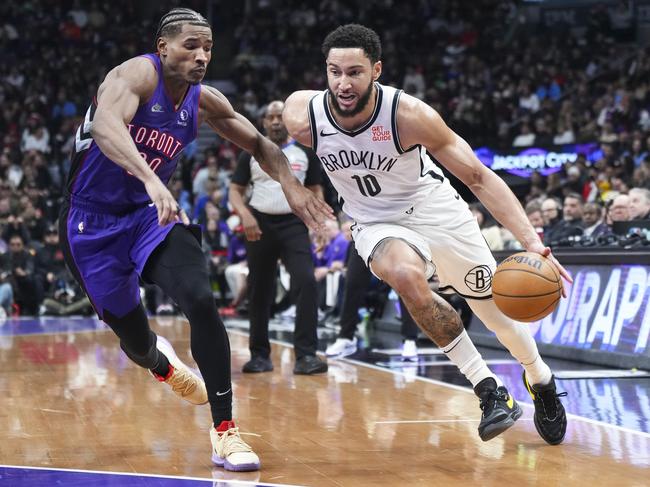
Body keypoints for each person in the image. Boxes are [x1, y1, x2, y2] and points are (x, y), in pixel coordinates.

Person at [59, 8, 331, 472]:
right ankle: (163, 365)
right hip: (92, 225)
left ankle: (225, 432)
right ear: (163, 47)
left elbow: (262, 145)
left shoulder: (204, 101)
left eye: (207, 48)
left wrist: (290, 183)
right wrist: (148, 175)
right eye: (191, 46)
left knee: (201, 299)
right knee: (137, 342)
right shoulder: (135, 75)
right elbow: (106, 125)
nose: (201, 55)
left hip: (150, 215)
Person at [283, 24, 570, 444]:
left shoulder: (407, 115)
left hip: (436, 212)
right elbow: (267, 149)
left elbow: (477, 176)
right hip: (375, 222)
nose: (343, 83)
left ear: (376, 70)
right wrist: (292, 187)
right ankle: (489, 391)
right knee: (405, 276)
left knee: (497, 315)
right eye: (334, 71)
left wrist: (531, 242)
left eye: (355, 73)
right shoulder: (302, 114)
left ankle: (540, 379)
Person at [228, 100, 328, 375]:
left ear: (288, 121)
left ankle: (306, 356)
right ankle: (259, 355)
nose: (275, 121)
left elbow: (316, 190)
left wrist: (319, 224)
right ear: (263, 123)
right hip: (259, 223)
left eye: (279, 116)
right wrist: (245, 215)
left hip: (294, 224)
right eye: (270, 117)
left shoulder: (305, 153)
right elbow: (235, 191)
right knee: (260, 289)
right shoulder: (250, 153)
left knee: (306, 281)